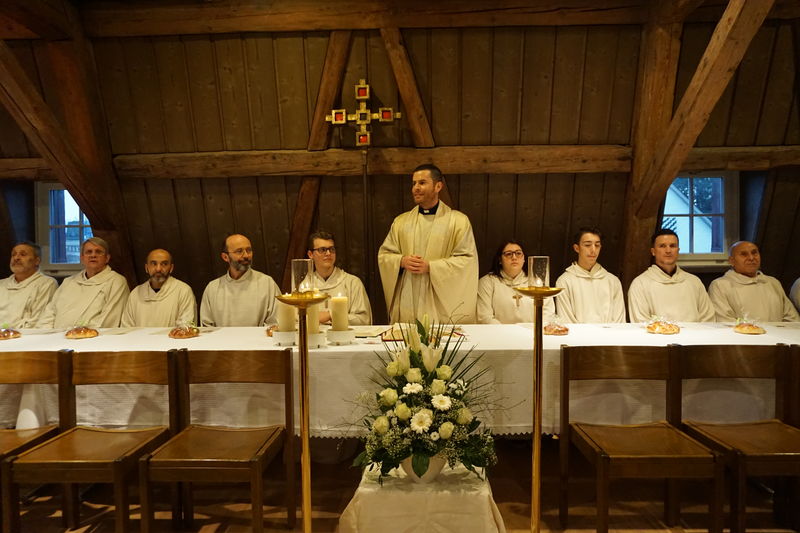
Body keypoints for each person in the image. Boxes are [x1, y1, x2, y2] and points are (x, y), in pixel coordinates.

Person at [378, 164, 478, 323]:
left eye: (422, 183)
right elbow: (385, 255)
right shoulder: (401, 222)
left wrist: (431, 267)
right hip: (408, 296)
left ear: (438, 186)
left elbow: (467, 261)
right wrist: (402, 261)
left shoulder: (458, 221)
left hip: (439, 300)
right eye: (414, 183)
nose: (416, 188)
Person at [37, 237, 129, 328]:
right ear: (82, 258)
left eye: (98, 252)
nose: (93, 255)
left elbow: (109, 321)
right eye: (89, 252)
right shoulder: (68, 282)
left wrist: (78, 333)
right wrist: (46, 334)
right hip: (56, 336)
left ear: (107, 258)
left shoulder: (116, 282)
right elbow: (49, 313)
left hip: (93, 336)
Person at [627, 228, 714, 323]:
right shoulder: (640, 284)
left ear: (678, 250)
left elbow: (707, 319)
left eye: (672, 246)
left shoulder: (694, 282)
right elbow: (641, 323)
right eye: (662, 246)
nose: (668, 250)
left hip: (695, 333)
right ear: (653, 251)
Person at [200, 234, 280, 327]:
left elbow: (276, 322)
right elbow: (207, 326)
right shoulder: (213, 288)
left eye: (249, 250)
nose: (246, 255)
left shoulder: (267, 283)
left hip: (259, 337)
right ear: (225, 257)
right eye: (239, 251)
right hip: (221, 337)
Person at [708, 241, 799, 323]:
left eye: (754, 253)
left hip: (778, 336)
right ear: (731, 261)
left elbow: (792, 319)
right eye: (744, 254)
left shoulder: (773, 283)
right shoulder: (720, 285)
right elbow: (724, 321)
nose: (751, 258)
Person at [555, 228, 625, 323]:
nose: (593, 250)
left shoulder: (612, 281)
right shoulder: (564, 281)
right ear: (577, 248)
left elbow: (619, 320)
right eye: (587, 245)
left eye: (597, 245)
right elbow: (566, 320)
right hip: (576, 333)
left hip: (609, 332)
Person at [477, 240, 554, 324]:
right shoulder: (488, 282)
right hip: (499, 331)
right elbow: (484, 317)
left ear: (524, 259)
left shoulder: (536, 282)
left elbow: (548, 314)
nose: (514, 257)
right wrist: (505, 331)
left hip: (530, 331)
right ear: (500, 260)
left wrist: (534, 329)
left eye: (518, 253)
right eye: (508, 254)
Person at [306, 231, 372, 325]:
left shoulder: (352, 283)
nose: (328, 253)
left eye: (331, 249)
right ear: (310, 254)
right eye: (322, 250)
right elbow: (298, 321)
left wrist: (331, 315)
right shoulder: (305, 287)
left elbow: (364, 320)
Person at [121, 248, 197, 327]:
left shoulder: (183, 291)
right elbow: (127, 328)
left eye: (164, 264)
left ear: (171, 268)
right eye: (153, 264)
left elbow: (186, 327)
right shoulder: (136, 293)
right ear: (146, 268)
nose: (158, 269)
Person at [0, 242, 57, 328]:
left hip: (26, 334)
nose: (16, 258)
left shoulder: (46, 283)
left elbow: (37, 321)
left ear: (37, 261)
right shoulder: (2, 284)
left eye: (23, 254)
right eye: (13, 254)